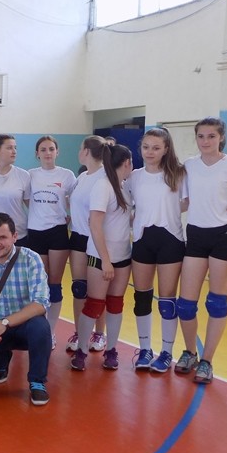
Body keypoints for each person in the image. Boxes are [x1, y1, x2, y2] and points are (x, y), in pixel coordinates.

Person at [176, 117, 227, 384]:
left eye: (211, 136)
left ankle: (207, 361)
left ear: (221, 138)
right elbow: (184, 203)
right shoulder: (189, 166)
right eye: (201, 136)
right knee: (185, 305)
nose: (205, 141)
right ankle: (190, 352)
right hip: (196, 235)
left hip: (224, 236)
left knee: (216, 303)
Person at [0, 213, 53, 406]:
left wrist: (4, 323)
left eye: (3, 237)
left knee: (41, 328)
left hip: (25, 324)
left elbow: (40, 303)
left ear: (15, 236)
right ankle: (1, 361)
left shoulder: (31, 259)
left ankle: (37, 381)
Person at [124, 128, 186, 372]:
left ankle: (167, 352)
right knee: (142, 297)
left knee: (167, 300)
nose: (150, 152)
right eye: (146, 147)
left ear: (166, 149)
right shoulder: (134, 177)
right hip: (142, 240)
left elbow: (193, 200)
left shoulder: (178, 174)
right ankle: (145, 349)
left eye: (156, 148)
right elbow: (123, 203)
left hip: (170, 240)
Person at [70, 144, 133, 371]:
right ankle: (81, 350)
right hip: (101, 257)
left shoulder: (124, 187)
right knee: (94, 304)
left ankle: (111, 350)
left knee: (115, 304)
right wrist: (105, 260)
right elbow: (94, 225)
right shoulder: (103, 186)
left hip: (123, 255)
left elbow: (122, 220)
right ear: (127, 163)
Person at [27, 135, 76, 348]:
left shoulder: (67, 175)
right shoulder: (30, 175)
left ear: (57, 152)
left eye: (51, 149)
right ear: (37, 153)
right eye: (43, 149)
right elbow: (26, 199)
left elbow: (76, 200)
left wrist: (69, 216)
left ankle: (50, 331)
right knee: (40, 284)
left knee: (54, 285)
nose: (48, 153)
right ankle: (38, 330)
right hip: (35, 232)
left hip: (57, 232)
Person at [65, 135, 108, 353]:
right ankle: (79, 331)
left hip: (96, 239)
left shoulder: (105, 177)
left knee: (97, 292)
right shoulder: (82, 177)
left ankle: (99, 333)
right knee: (79, 288)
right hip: (78, 237)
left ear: (86, 152)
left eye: (80, 148)